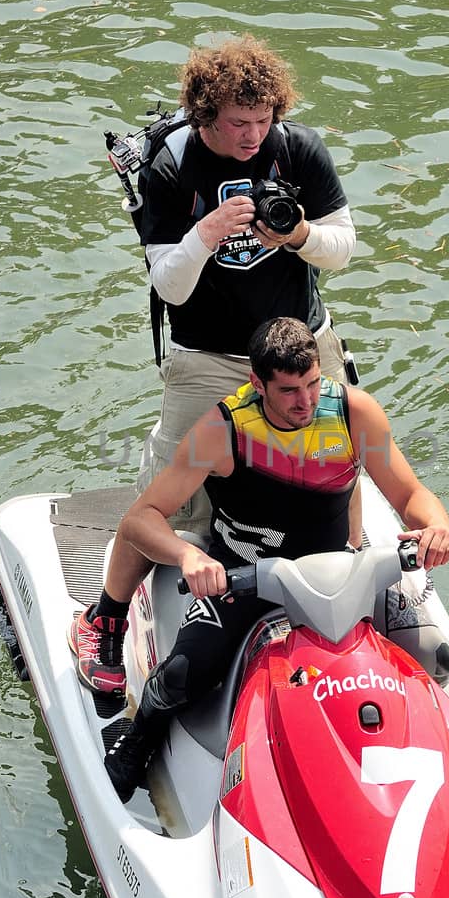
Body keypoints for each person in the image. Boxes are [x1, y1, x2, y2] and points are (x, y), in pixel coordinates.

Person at [69, 317, 449, 803]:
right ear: (258, 383)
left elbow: (410, 493)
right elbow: (141, 518)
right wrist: (189, 556)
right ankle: (137, 742)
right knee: (183, 676)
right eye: (291, 390)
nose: (307, 401)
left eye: (315, 383)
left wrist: (437, 527)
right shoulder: (220, 430)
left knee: (433, 655)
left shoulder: (354, 413)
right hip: (247, 580)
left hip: (344, 571)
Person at [136, 34, 357, 536]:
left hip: (301, 342)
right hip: (207, 353)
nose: (253, 135)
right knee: (180, 492)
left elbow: (342, 249)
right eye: (239, 123)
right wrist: (206, 234)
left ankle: (346, 552)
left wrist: (298, 234)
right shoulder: (172, 166)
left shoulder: (297, 148)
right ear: (204, 116)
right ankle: (171, 577)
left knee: (338, 454)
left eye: (264, 120)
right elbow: (168, 286)